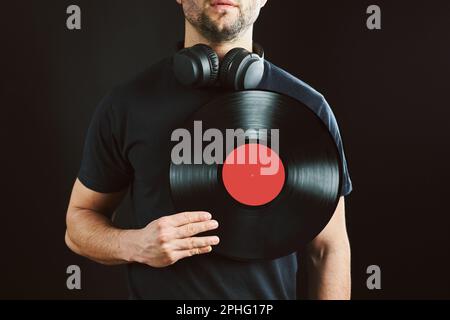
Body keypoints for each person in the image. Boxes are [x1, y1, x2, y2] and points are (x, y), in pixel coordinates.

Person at [65, 0, 352, 299]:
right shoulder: (127, 104)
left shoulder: (309, 107)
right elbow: (78, 222)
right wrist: (135, 245)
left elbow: (327, 249)